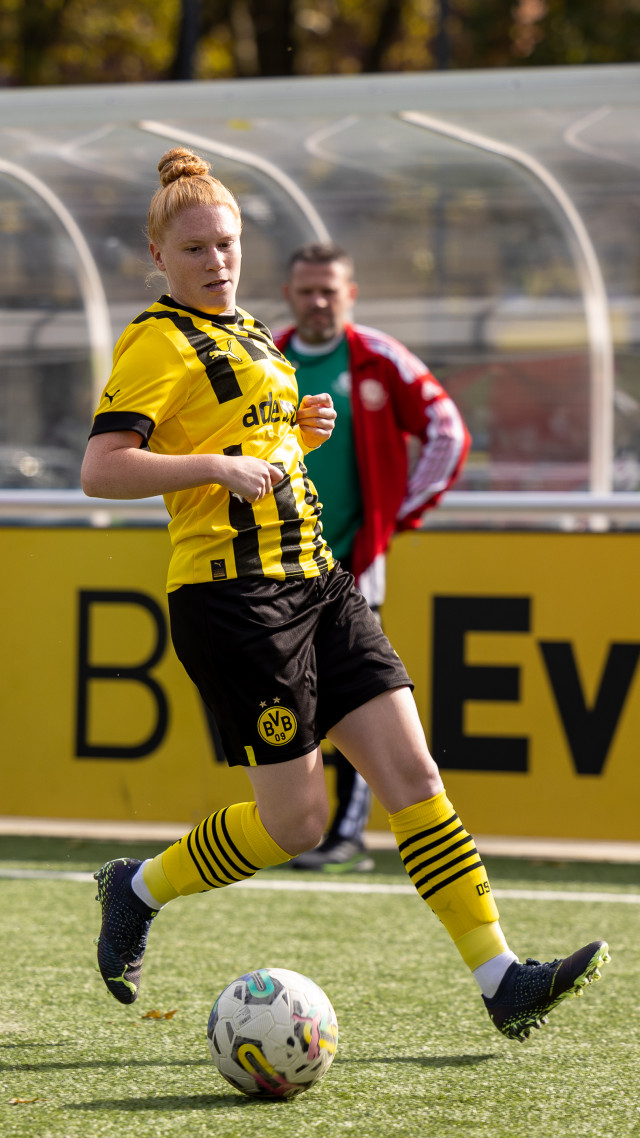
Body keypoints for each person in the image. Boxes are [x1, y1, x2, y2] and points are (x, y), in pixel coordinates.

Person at [82, 147, 609, 1042]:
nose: (217, 261)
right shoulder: (156, 341)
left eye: (227, 244)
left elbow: (250, 437)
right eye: (197, 248)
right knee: (297, 823)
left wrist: (297, 431)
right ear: (159, 256)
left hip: (321, 581)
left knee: (415, 775)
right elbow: (103, 469)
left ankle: (501, 979)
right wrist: (216, 466)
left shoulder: (253, 333)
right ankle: (136, 888)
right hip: (236, 601)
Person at [274, 243, 470, 871]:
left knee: (356, 692)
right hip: (273, 564)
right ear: (289, 295)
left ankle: (347, 833)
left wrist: (398, 514)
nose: (318, 302)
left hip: (353, 563)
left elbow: (448, 430)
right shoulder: (263, 357)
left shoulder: (380, 358)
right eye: (307, 291)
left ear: (350, 294)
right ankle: (296, 825)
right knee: (293, 698)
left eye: (329, 290)